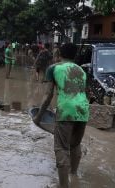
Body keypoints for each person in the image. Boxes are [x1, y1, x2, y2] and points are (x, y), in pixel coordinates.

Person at [33, 43, 89, 188]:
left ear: (60, 54)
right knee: (75, 144)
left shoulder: (54, 68)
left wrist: (38, 116)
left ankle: (64, 186)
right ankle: (74, 175)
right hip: (83, 110)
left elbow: (47, 95)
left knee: (61, 148)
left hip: (66, 110)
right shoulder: (81, 70)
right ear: (75, 55)